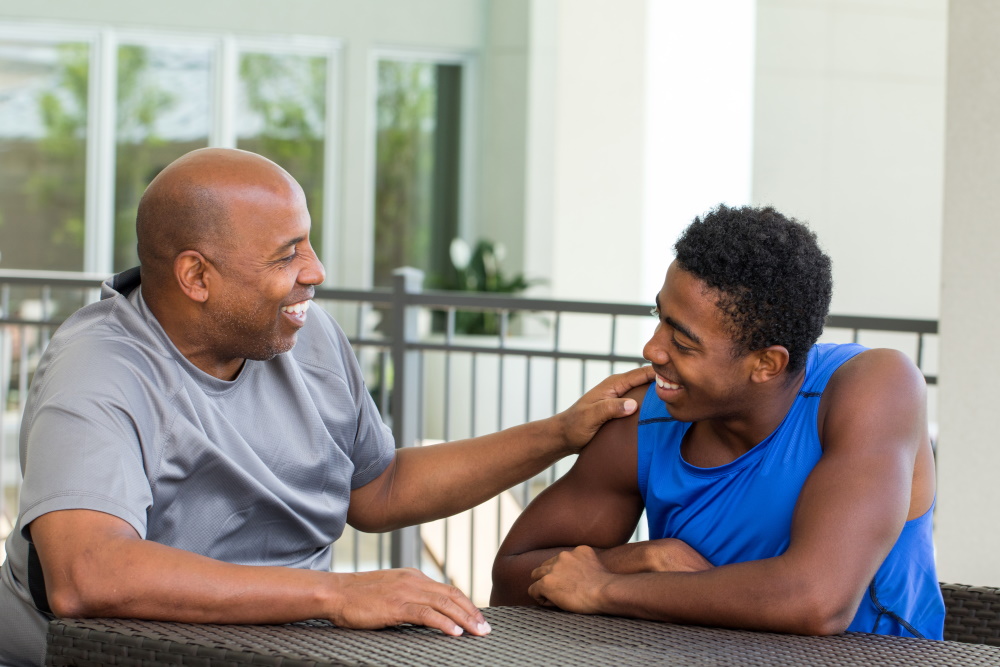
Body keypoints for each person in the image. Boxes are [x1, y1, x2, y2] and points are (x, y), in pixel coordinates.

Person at [0, 147, 653, 667]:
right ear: (197, 276)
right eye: (288, 254)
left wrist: (562, 432)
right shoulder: (98, 367)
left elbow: (379, 488)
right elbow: (87, 573)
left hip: (286, 644)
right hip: (106, 655)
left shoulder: (304, 333)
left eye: (307, 243)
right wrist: (337, 594)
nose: (315, 270)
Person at [491, 204, 944, 639]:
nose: (652, 350)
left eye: (683, 343)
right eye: (659, 318)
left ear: (766, 364)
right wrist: (649, 557)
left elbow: (816, 599)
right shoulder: (646, 419)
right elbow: (512, 580)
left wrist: (604, 586)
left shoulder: (876, 389)